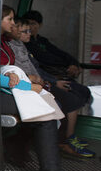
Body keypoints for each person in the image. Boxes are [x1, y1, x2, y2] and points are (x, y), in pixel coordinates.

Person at [0, 5, 92, 171]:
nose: (13, 23)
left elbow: (8, 69)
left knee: (50, 110)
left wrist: (24, 80)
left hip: (10, 88)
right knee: (44, 116)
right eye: (9, 19)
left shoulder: (6, 42)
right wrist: (27, 86)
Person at [11, 18, 94, 158]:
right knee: (65, 102)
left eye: (30, 31)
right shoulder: (14, 48)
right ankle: (63, 141)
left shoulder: (25, 45)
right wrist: (52, 82)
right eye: (25, 31)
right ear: (15, 31)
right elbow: (25, 72)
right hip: (31, 85)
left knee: (78, 93)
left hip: (42, 82)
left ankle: (67, 139)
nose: (29, 34)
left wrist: (52, 80)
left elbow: (39, 67)